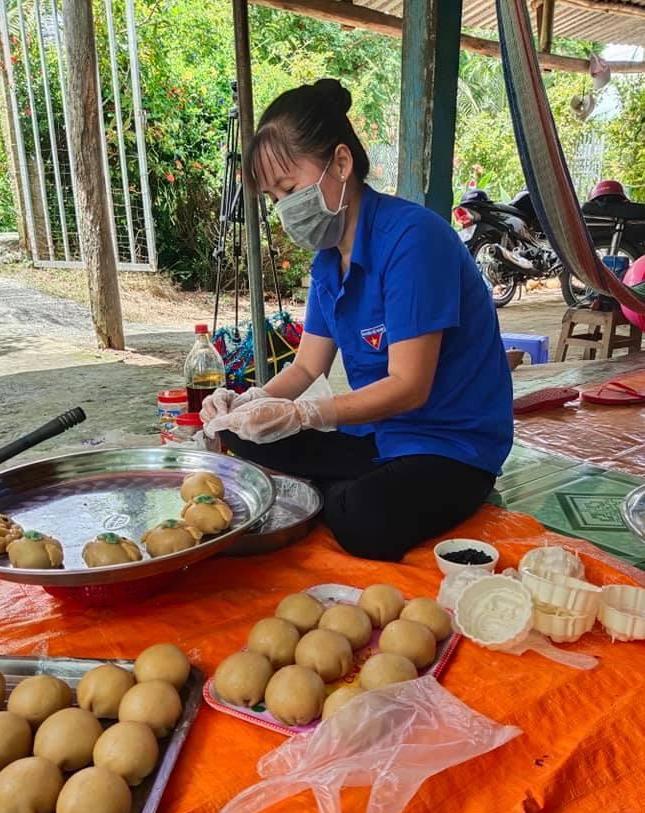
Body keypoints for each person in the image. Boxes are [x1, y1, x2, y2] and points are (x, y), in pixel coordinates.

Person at [203, 79, 513, 561]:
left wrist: (304, 415)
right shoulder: (328, 261)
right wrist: (249, 402)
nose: (284, 209)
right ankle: (333, 486)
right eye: (273, 198)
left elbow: (410, 387)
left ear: (341, 163)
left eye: (288, 188)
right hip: (374, 435)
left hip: (449, 446)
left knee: (364, 519)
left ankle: (335, 491)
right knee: (238, 436)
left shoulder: (414, 239)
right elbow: (307, 369)